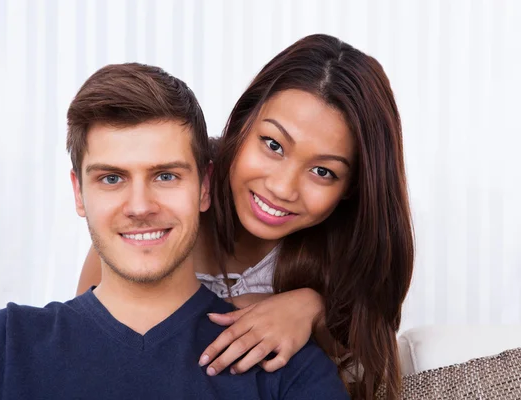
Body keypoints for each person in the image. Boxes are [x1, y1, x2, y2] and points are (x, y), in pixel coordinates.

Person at [0, 63, 349, 399]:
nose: (140, 207)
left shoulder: (282, 365)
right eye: (111, 178)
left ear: (204, 186)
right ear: (79, 193)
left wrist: (312, 304)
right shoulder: (6, 345)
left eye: (165, 176)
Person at [77, 34, 414, 400]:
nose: (283, 188)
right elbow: (86, 350)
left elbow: (361, 355)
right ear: (242, 123)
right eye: (273, 145)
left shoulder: (345, 257)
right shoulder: (161, 214)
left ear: (352, 187)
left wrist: (313, 310)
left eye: (323, 172)